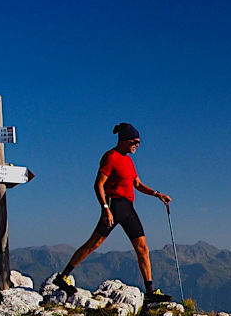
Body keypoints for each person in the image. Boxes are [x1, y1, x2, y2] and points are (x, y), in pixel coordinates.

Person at [50, 122, 173, 305]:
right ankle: (63, 276)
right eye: (135, 141)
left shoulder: (129, 160)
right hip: (113, 206)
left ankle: (150, 291)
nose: (137, 145)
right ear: (124, 140)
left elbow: (137, 184)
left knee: (143, 249)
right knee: (94, 243)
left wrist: (157, 194)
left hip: (128, 208)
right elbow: (98, 184)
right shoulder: (110, 157)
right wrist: (105, 209)